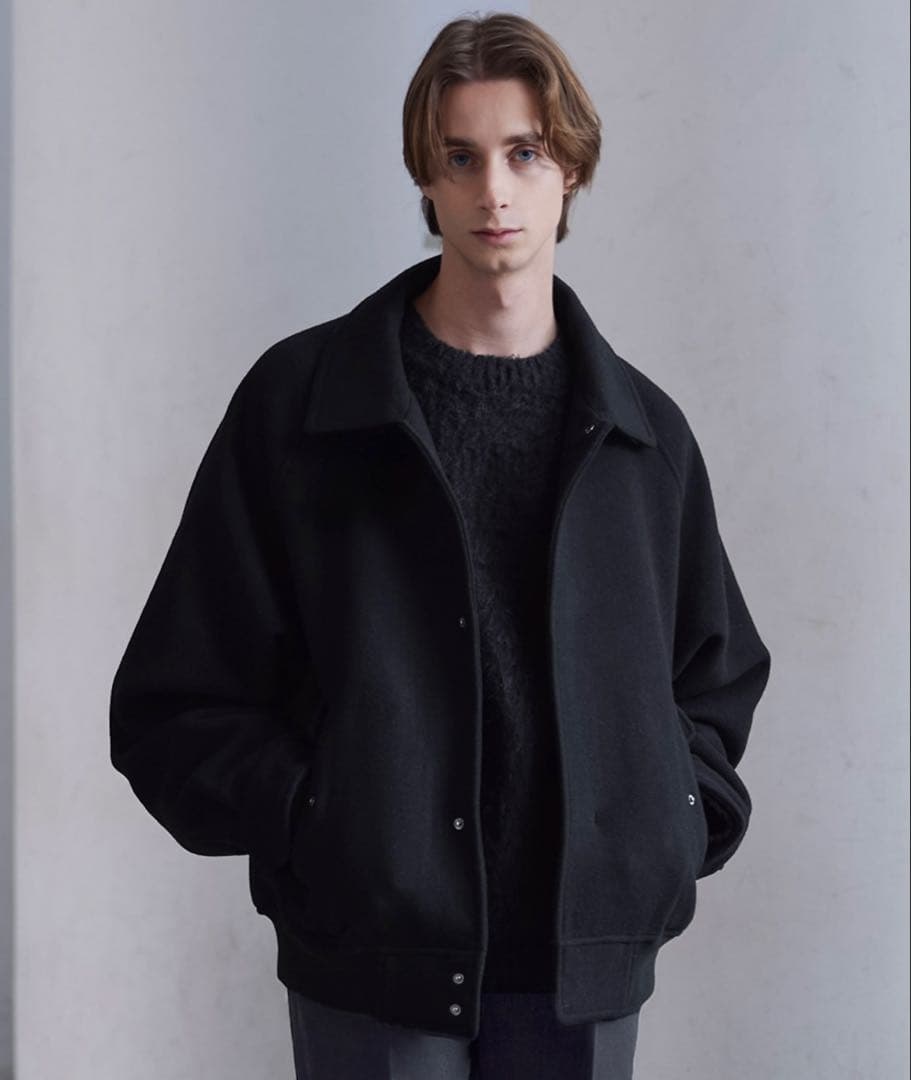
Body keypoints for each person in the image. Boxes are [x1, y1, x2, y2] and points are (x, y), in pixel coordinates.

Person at [109, 12, 771, 1080]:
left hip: (580, 963)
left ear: (571, 170)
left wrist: (670, 821)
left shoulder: (644, 435)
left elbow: (714, 678)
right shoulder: (304, 406)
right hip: (374, 953)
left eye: (524, 153)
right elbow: (175, 695)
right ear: (424, 175)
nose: (492, 192)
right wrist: (321, 818)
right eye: (460, 158)